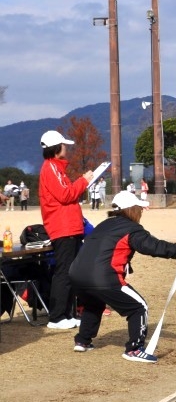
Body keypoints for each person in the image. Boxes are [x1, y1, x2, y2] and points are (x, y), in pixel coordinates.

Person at [69, 191, 176, 362]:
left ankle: (82, 341)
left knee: (93, 304)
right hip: (103, 277)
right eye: (139, 208)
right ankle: (134, 349)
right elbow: (152, 246)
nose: (141, 211)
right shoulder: (132, 229)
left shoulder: (104, 225)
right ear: (132, 209)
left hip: (77, 275)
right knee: (139, 307)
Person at [39, 130, 94, 329]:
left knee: (71, 272)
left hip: (69, 227)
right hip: (63, 228)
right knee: (64, 272)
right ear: (56, 148)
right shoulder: (51, 168)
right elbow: (65, 194)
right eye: (63, 145)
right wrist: (84, 180)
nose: (66, 148)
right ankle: (57, 317)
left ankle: (66, 314)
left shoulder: (56, 168)